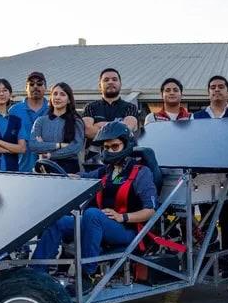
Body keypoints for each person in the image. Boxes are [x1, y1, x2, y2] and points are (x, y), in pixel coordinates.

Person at [31, 122, 157, 292]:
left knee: (91, 214)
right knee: (59, 221)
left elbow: (150, 211)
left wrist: (123, 217)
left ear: (126, 145)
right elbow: (81, 178)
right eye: (106, 147)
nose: (109, 151)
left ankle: (87, 274)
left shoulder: (141, 172)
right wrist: (63, 177)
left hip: (128, 230)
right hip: (100, 223)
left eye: (115, 146)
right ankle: (36, 274)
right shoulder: (105, 171)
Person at [194, 76, 228, 277]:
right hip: (205, 179)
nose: (216, 90)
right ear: (208, 93)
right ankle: (207, 265)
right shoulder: (196, 117)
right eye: (212, 87)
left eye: (221, 87)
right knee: (206, 222)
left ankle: (227, 264)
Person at [82, 68, 139, 163]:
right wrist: (117, 125)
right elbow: (88, 130)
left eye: (114, 79)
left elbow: (126, 130)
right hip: (94, 161)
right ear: (100, 85)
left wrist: (99, 125)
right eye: (106, 80)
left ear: (120, 84)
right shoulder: (90, 107)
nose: (110, 82)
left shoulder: (131, 107)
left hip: (123, 162)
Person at [28, 82, 85, 173]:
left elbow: (75, 147)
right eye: (55, 94)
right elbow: (33, 145)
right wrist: (59, 145)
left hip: (69, 169)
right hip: (44, 168)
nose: (57, 97)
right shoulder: (40, 121)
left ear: (69, 100)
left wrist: (50, 154)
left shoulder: (76, 121)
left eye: (62, 94)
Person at [9, 71, 49, 172]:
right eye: (31, 84)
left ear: (46, 87)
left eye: (39, 84)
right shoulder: (14, 110)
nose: (35, 86)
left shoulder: (52, 109)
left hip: (49, 169)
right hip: (20, 169)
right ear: (26, 88)